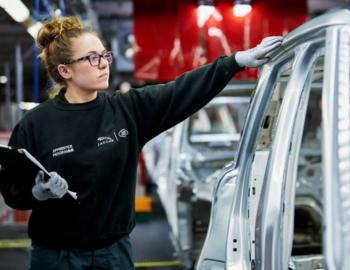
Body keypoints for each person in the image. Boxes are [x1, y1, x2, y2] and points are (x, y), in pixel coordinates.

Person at [0, 16, 282, 270]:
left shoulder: (128, 110)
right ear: (65, 71)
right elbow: (13, 192)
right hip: (56, 257)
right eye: (91, 58)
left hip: (114, 254)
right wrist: (39, 192)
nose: (103, 64)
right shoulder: (36, 124)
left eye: (104, 55)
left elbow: (181, 90)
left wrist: (235, 62)